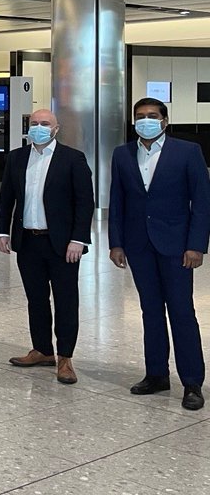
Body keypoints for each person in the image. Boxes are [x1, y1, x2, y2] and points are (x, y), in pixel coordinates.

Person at [110, 98, 210, 411]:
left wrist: (196, 245)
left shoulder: (187, 152)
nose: (146, 121)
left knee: (182, 312)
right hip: (139, 246)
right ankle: (156, 374)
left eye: (152, 116)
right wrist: (116, 242)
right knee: (150, 311)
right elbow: (118, 200)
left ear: (165, 121)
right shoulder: (122, 154)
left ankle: (192, 382)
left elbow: (202, 202)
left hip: (177, 247)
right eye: (140, 117)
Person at [0, 110, 94, 385]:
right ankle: (41, 350)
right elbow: (6, 199)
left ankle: (65, 358)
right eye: (34, 124)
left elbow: (85, 202)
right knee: (35, 299)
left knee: (65, 301)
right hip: (28, 241)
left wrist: (78, 239)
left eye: (45, 124)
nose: (39, 128)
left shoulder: (72, 158)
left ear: (56, 128)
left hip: (62, 245)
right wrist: (3, 231)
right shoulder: (16, 157)